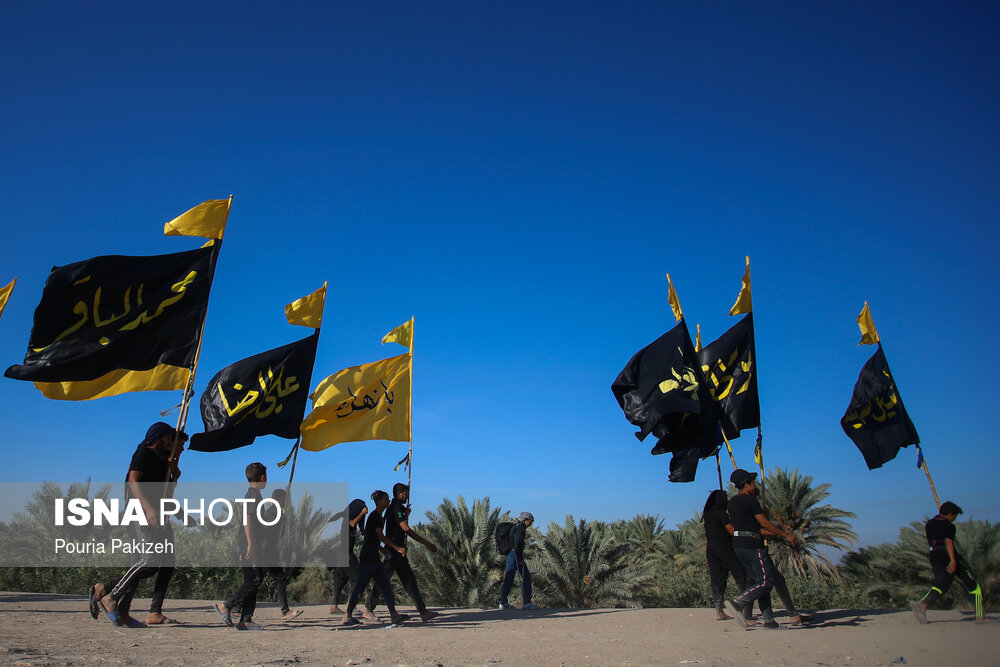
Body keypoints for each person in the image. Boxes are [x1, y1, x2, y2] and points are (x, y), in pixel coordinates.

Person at [91, 422, 185, 628]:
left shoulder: (163, 462)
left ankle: (123, 608)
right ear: (159, 437)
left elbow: (163, 496)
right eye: (171, 439)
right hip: (140, 515)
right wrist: (148, 509)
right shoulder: (143, 454)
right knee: (148, 562)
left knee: (152, 565)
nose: (175, 443)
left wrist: (174, 479)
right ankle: (111, 594)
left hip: (156, 517)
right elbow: (133, 482)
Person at [725, 469, 796, 630]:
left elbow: (749, 527)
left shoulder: (732, 503)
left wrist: (775, 533)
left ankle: (769, 620)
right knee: (766, 581)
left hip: (738, 544)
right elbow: (763, 523)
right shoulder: (750, 501)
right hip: (752, 546)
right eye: (753, 482)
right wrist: (785, 534)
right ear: (746, 484)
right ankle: (738, 602)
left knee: (759, 580)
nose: (754, 485)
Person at [364, 483, 440, 622]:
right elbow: (405, 529)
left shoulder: (395, 507)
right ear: (399, 493)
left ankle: (423, 611)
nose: (408, 495)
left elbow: (394, 521)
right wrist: (427, 543)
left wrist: (405, 514)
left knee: (409, 580)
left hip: (400, 551)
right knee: (383, 579)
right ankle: (369, 608)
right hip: (395, 550)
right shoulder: (396, 506)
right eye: (406, 493)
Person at [213, 462, 269, 630]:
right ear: (263, 477)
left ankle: (246, 620)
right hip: (250, 543)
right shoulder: (253, 495)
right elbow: (247, 519)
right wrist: (250, 544)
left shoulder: (254, 494)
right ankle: (226, 606)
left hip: (249, 543)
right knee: (255, 579)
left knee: (254, 579)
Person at [910, 501, 984, 623]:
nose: (954, 518)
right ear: (950, 514)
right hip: (948, 555)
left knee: (941, 584)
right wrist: (953, 560)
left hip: (934, 555)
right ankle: (981, 616)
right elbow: (948, 542)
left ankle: (923, 604)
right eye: (954, 516)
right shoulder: (949, 526)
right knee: (973, 584)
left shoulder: (930, 523)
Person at [342, 490, 408, 626]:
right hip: (368, 558)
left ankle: (394, 615)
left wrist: (382, 549)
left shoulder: (378, 516)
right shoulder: (375, 517)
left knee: (385, 586)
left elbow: (371, 538)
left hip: (374, 557)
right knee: (360, 586)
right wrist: (397, 548)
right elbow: (380, 536)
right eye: (386, 499)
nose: (388, 501)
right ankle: (348, 615)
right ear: (379, 502)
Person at [702, 490, 747, 620]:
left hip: (711, 550)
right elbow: (732, 531)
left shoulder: (707, 514)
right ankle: (743, 607)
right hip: (725, 549)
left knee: (717, 580)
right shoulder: (721, 514)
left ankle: (719, 611)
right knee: (740, 575)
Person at [329, 498, 367, 616]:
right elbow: (352, 523)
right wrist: (362, 513)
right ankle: (350, 605)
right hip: (345, 553)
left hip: (343, 552)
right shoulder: (347, 519)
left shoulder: (349, 519)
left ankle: (334, 606)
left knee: (340, 579)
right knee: (357, 578)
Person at [500, 512, 539, 610]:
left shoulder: (515, 527)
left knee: (509, 578)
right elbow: (517, 544)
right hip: (515, 555)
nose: (530, 524)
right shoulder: (520, 528)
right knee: (526, 577)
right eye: (530, 522)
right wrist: (520, 559)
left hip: (510, 554)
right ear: (525, 520)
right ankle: (527, 603)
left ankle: (503, 602)